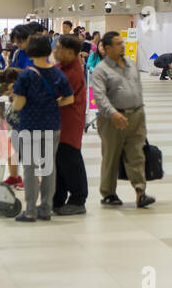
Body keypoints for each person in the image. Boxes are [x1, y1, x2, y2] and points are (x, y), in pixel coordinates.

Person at [10, 33, 72, 222]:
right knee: (48, 167)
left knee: (29, 168)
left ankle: (30, 210)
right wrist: (52, 104)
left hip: (30, 126)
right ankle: (46, 208)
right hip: (52, 125)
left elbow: (19, 104)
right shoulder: (57, 73)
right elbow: (70, 97)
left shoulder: (27, 75)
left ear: (30, 52)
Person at [91, 31, 154, 208]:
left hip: (136, 116)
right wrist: (113, 113)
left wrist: (139, 108)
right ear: (107, 47)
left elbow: (137, 88)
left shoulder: (132, 65)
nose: (123, 46)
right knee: (111, 156)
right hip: (113, 119)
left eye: (123, 42)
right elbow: (99, 96)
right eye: (118, 43)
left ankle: (140, 192)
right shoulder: (100, 70)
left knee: (137, 154)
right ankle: (109, 193)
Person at [51, 35, 89, 215]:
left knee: (71, 160)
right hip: (60, 122)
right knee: (60, 161)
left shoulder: (72, 72)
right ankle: (57, 199)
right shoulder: (62, 67)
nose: (55, 51)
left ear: (69, 52)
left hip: (70, 123)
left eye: (58, 48)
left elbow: (65, 98)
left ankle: (78, 199)